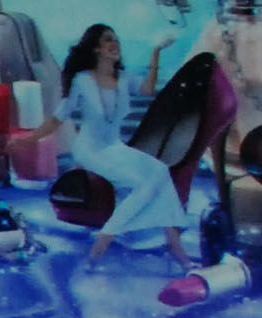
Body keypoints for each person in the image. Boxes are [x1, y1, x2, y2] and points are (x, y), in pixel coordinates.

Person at [34, 25, 192, 265]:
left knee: (160, 171)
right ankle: (105, 239)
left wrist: (156, 52)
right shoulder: (82, 80)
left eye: (117, 40)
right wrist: (29, 139)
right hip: (89, 149)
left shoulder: (123, 78)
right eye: (109, 40)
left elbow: (148, 91)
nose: (115, 44)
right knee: (141, 184)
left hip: (115, 147)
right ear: (96, 48)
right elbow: (59, 116)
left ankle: (175, 247)